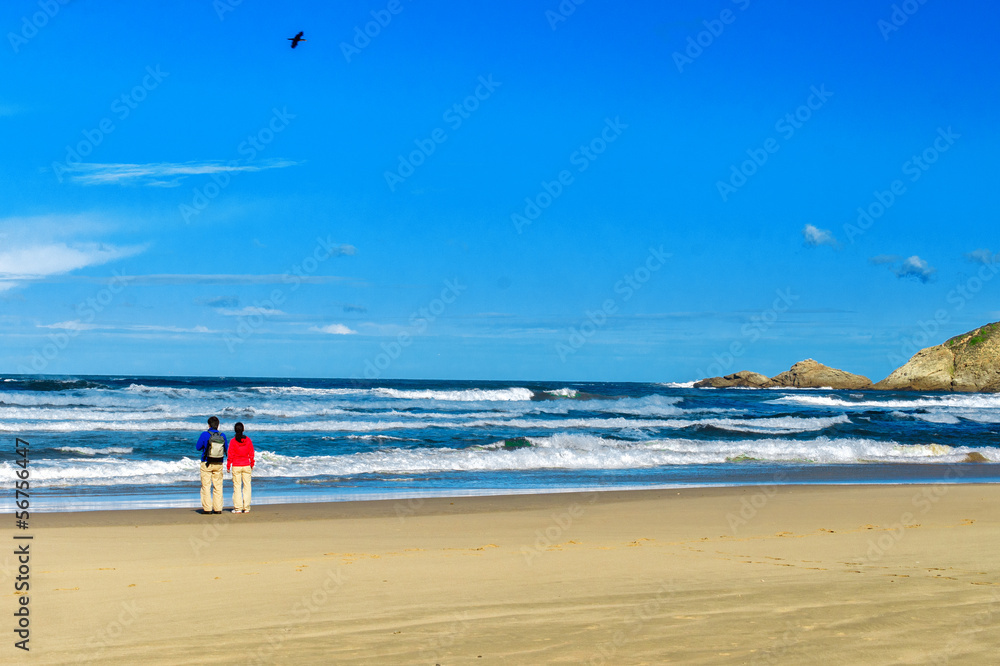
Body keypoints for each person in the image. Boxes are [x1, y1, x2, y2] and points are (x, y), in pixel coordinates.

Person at [196, 416, 228, 514]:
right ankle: (218, 508)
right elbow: (226, 449)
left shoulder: (204, 434)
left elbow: (198, 447)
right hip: (219, 462)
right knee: (218, 486)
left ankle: (207, 509)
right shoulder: (222, 435)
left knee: (206, 486)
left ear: (209, 425)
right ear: (218, 425)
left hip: (206, 462)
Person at [227, 421, 255, 513]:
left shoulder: (233, 441)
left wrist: (228, 465)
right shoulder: (248, 440)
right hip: (246, 465)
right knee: (247, 486)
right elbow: (251, 453)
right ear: (243, 429)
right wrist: (252, 463)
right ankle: (246, 507)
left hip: (236, 465)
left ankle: (238, 508)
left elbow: (230, 454)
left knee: (237, 487)